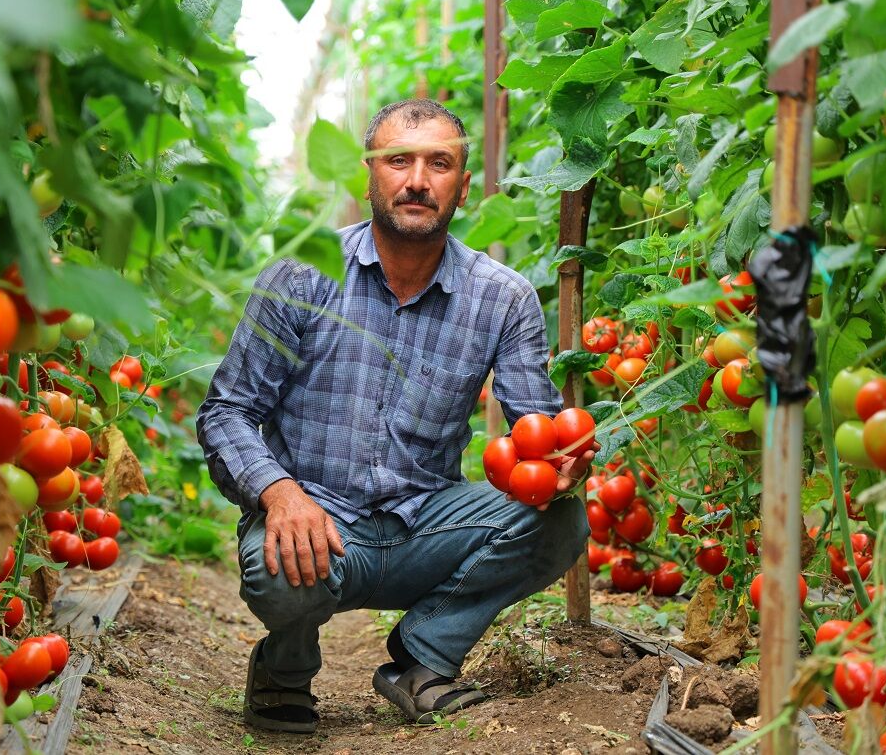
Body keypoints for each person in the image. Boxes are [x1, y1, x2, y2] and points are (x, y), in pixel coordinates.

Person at [196, 98, 593, 734]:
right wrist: (280, 493)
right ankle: (284, 668)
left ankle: (422, 659)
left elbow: (534, 435)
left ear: (463, 187)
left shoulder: (502, 297)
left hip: (425, 526)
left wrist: (560, 467)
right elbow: (227, 413)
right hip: (318, 522)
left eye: (439, 163)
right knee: (280, 573)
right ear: (370, 175)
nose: (416, 180)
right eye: (398, 161)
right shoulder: (302, 276)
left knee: (561, 523)